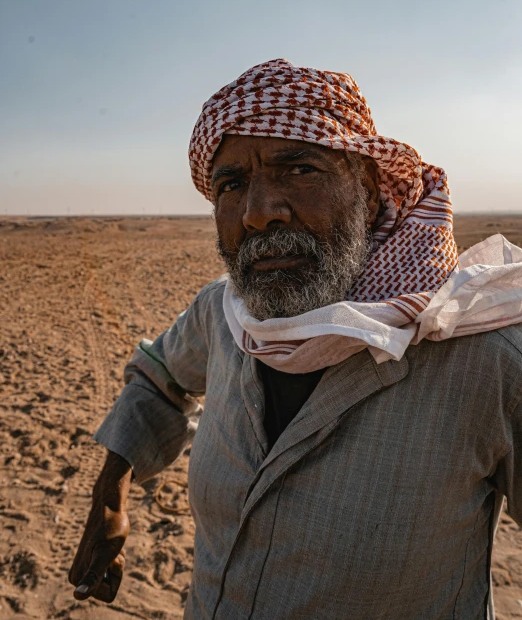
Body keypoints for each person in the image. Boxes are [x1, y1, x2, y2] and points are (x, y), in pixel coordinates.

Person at [69, 58, 522, 619]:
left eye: (298, 170)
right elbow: (159, 377)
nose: (259, 213)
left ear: (368, 187)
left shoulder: (488, 357)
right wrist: (110, 490)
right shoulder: (224, 314)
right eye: (232, 184)